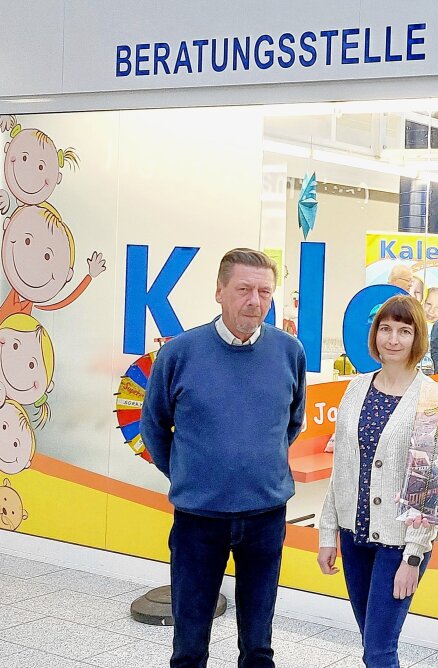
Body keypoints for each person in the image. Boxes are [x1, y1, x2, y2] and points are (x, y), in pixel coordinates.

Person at [141, 248, 307, 668]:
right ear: (219, 291)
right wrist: (190, 474)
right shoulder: (180, 353)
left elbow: (293, 422)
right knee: (190, 642)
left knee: (258, 644)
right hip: (199, 519)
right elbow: (154, 427)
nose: (255, 301)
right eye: (244, 289)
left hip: (266, 517)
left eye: (265, 292)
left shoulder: (290, 352)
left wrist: (256, 465)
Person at [317, 294, 437, 668]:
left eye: (404, 330)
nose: (393, 339)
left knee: (379, 649)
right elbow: (343, 471)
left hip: (399, 545)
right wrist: (327, 535)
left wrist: (413, 556)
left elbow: (431, 482)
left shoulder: (430, 397)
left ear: (417, 338)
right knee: (371, 641)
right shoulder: (356, 388)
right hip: (355, 538)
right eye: (385, 328)